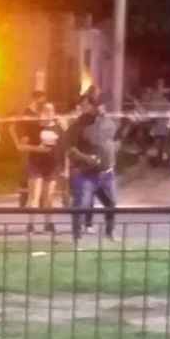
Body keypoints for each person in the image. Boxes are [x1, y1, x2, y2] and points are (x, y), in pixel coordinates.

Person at [64, 95, 118, 242]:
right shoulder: (78, 125)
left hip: (107, 173)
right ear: (91, 107)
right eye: (97, 106)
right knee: (82, 206)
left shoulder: (109, 122)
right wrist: (86, 158)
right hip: (86, 174)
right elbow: (69, 149)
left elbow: (115, 139)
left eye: (103, 105)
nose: (101, 109)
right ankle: (77, 237)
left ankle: (110, 232)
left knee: (111, 203)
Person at [25, 103, 64, 234]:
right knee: (35, 195)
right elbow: (22, 146)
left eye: (51, 110)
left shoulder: (59, 128)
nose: (48, 113)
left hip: (52, 165)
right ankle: (31, 224)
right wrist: (37, 149)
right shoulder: (33, 127)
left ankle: (49, 223)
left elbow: (65, 147)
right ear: (41, 112)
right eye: (46, 110)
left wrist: (66, 167)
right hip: (36, 163)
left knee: (49, 196)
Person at [10, 90, 49, 208]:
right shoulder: (27, 114)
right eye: (40, 101)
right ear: (35, 99)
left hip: (41, 151)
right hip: (30, 151)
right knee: (27, 176)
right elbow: (13, 128)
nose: (42, 104)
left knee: (39, 177)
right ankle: (24, 202)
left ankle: (39, 202)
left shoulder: (41, 114)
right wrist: (19, 142)